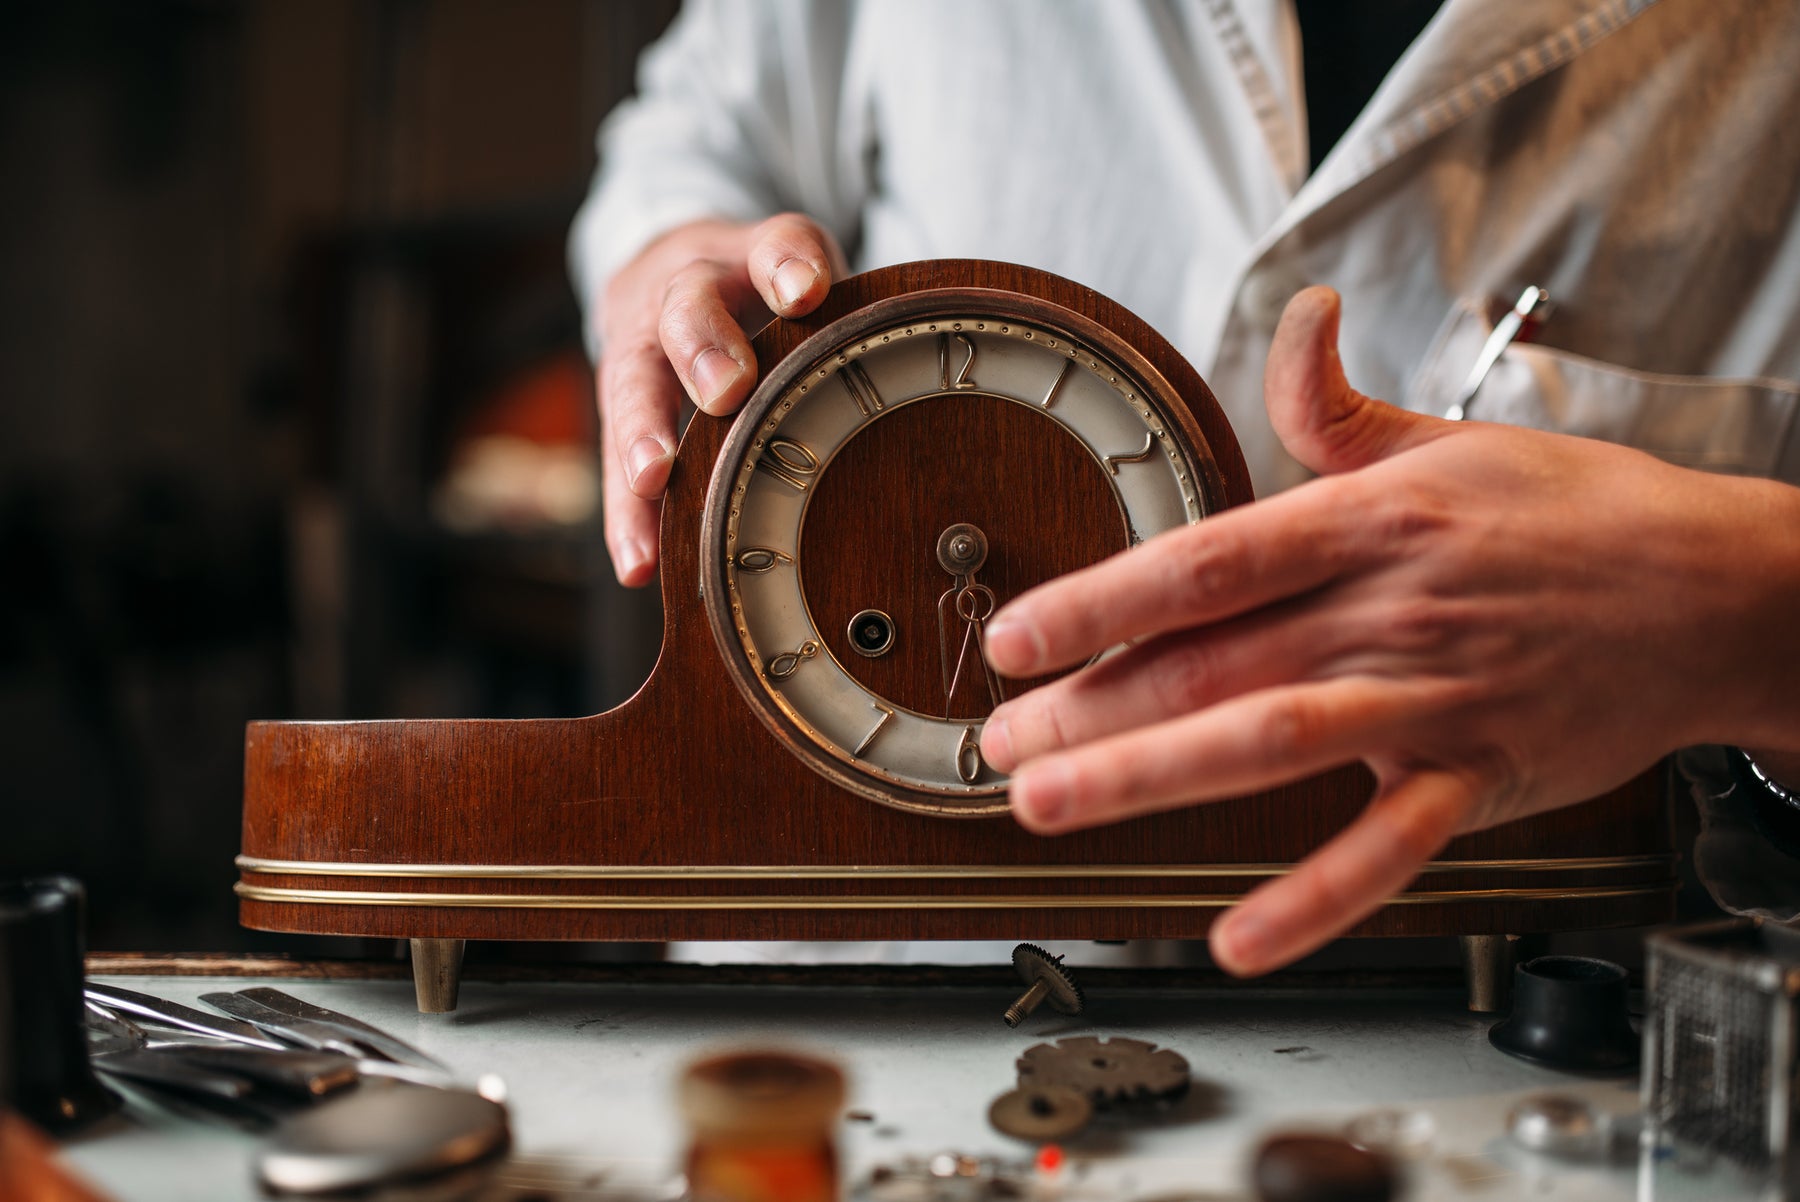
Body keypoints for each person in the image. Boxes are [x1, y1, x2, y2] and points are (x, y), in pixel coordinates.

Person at [569, 0, 1800, 973]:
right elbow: (699, 132)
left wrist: (1749, 601)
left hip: (1523, 1036)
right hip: (870, 973)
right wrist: (673, 256)